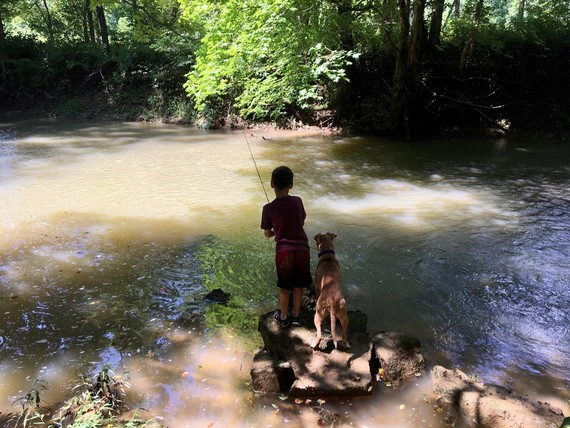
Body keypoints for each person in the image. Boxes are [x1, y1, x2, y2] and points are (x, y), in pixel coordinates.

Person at [261, 166, 312, 328]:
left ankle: (283, 316)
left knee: (284, 286)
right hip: (302, 249)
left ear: (271, 184)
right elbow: (301, 221)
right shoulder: (298, 201)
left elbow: (268, 233)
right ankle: (296, 315)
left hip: (284, 252)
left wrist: (277, 231)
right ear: (291, 185)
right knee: (299, 285)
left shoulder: (267, 208)